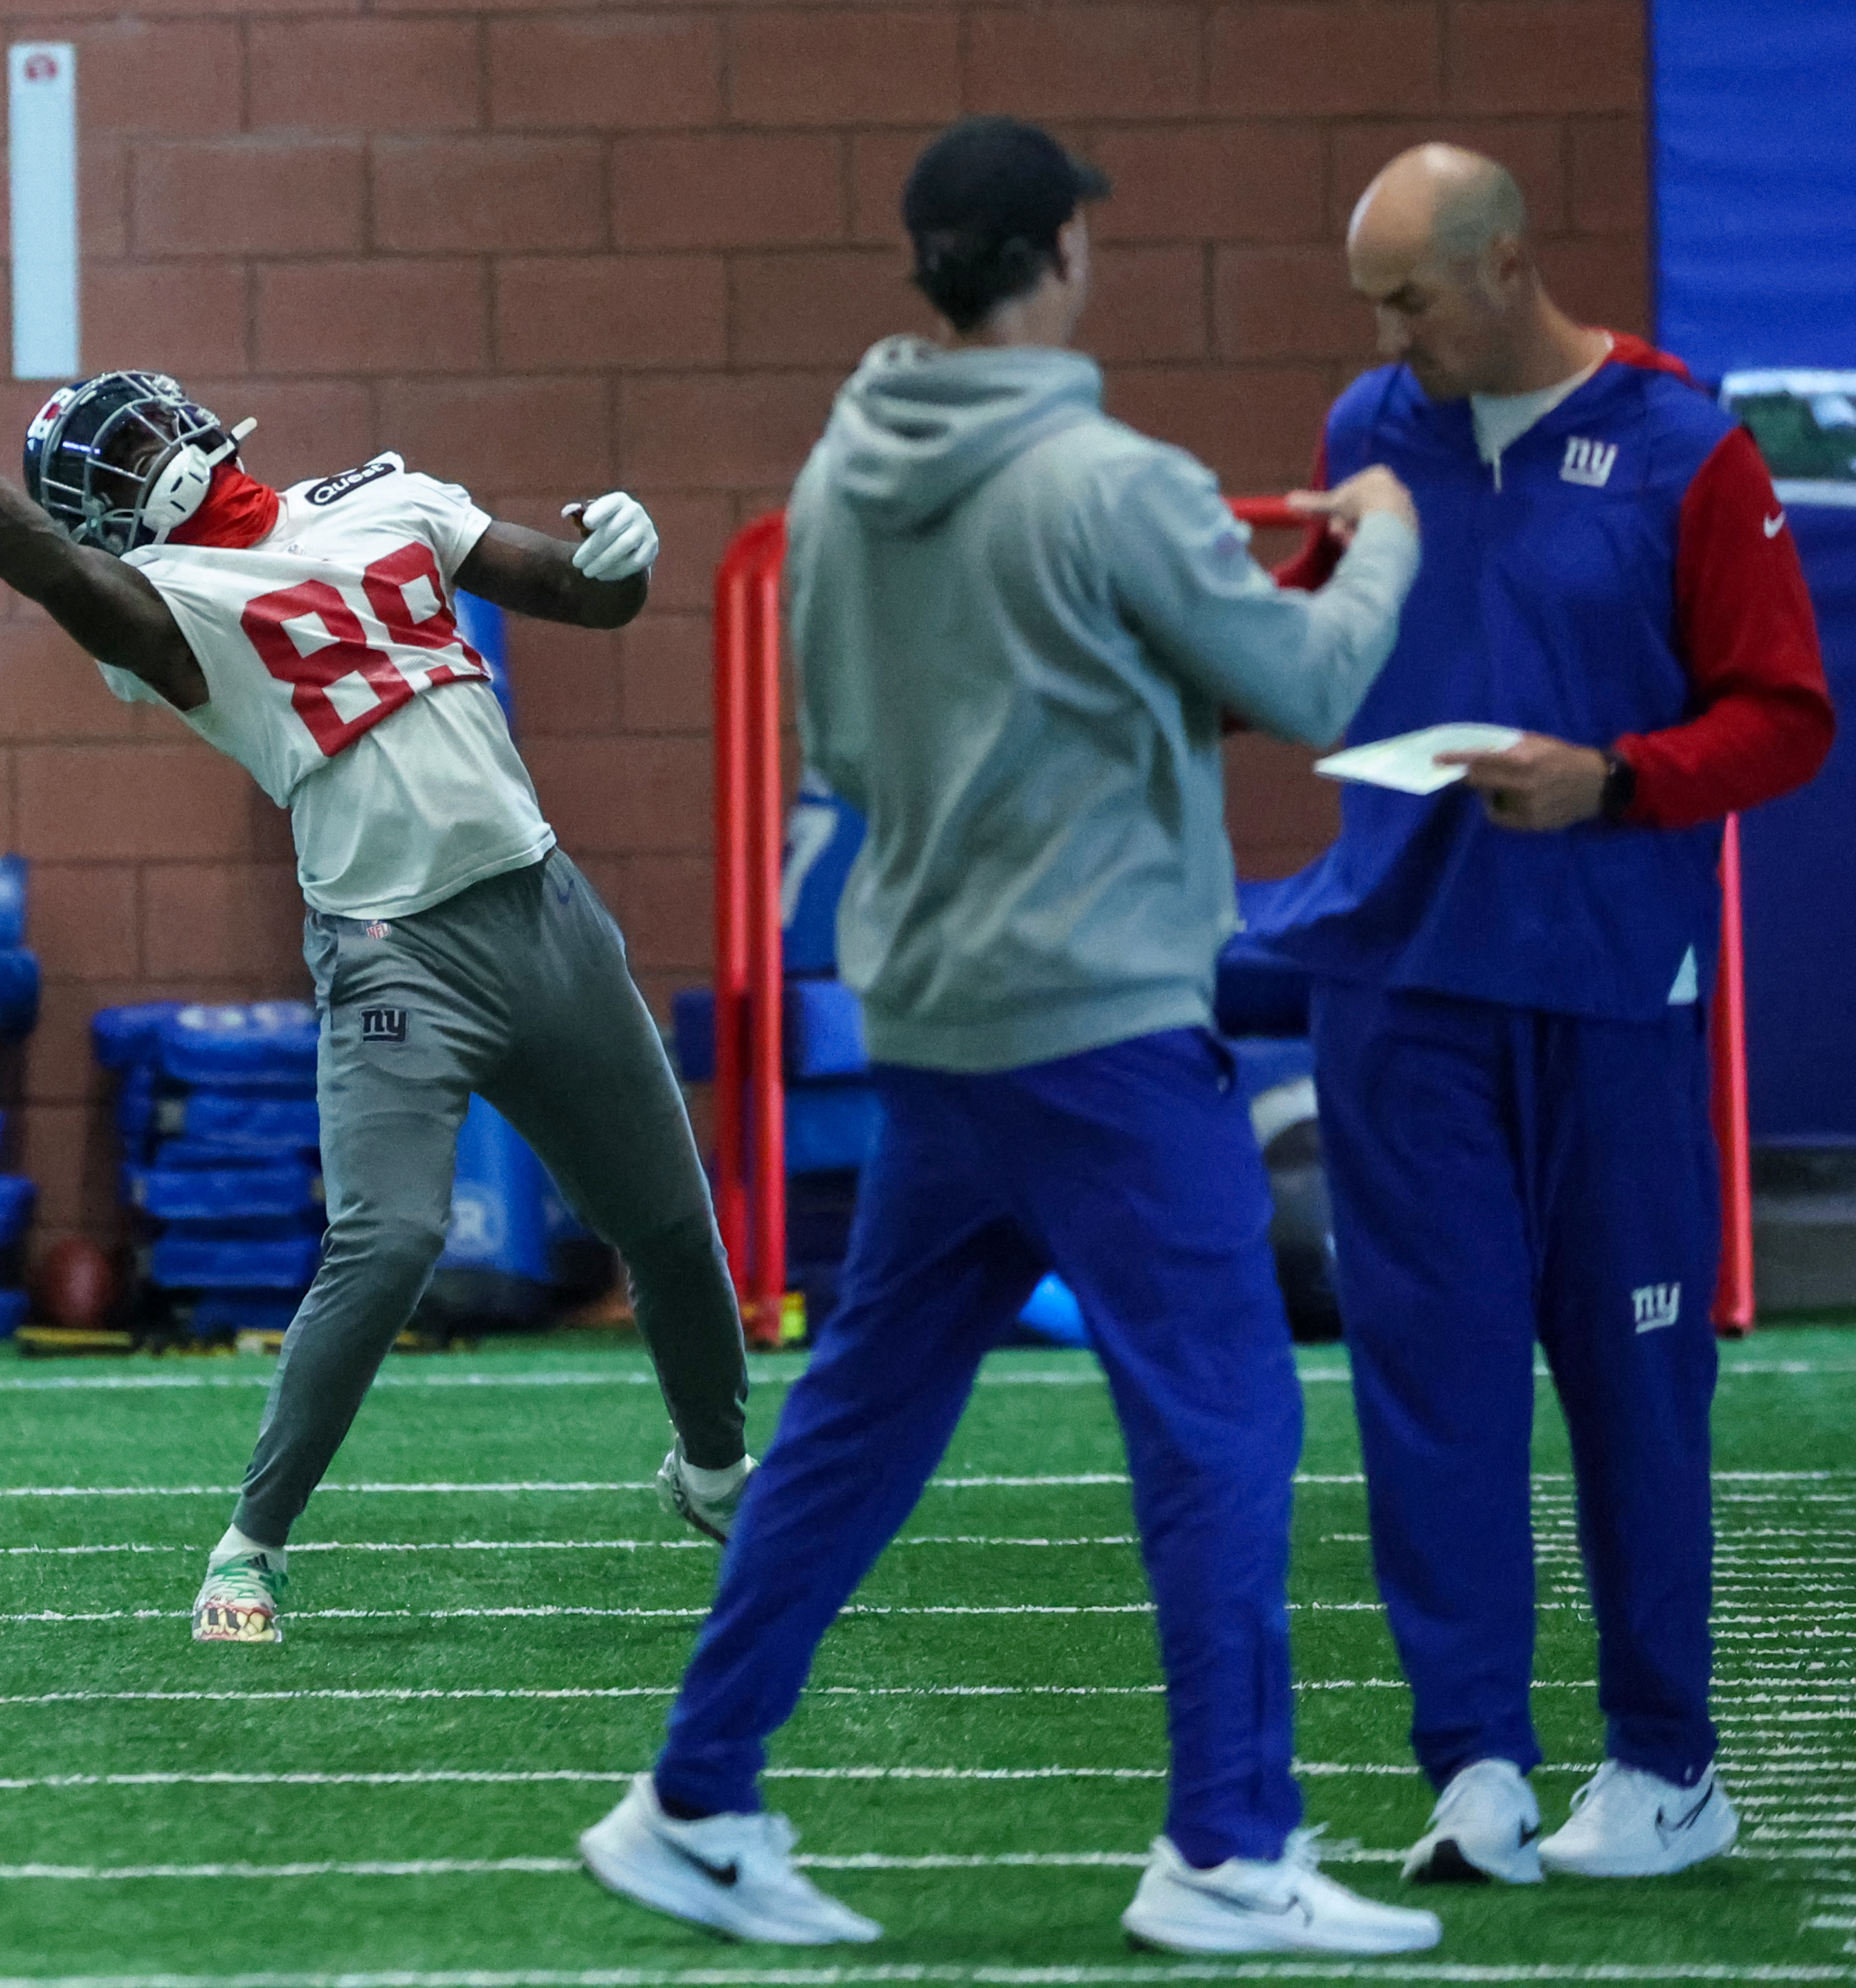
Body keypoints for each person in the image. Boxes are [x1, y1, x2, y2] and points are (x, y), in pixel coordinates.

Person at [579, 117, 1441, 1955]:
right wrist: (1382, 546)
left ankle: (694, 1795)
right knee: (1221, 1424)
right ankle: (1228, 1848)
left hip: (935, 1015)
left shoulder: (832, 477)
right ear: (1058, 252)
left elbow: (886, 752)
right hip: (1106, 1029)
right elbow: (1305, 684)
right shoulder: (1112, 481)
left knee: (862, 1422)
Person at [0, 293, 752, 1645]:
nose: (128, 464)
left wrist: (626, 558)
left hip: (542, 901)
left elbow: (577, 594)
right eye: (96, 473)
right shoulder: (172, 608)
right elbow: (46, 571)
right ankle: (249, 1544)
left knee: (671, 1221)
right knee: (387, 1237)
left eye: (126, 438)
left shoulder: (385, 497)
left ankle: (712, 1474)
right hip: (397, 949)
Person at [1255, 146, 1835, 1884]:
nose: (1381, 334)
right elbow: (1304, 651)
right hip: (1397, 980)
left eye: (1406, 296)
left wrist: (1613, 780)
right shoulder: (1369, 426)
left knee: (1632, 1386)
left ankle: (1665, 1765)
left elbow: (1785, 715)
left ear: (1505, 265)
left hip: (1604, 991)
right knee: (1426, 1388)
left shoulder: (1686, 449)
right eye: (1371, 302)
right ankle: (1474, 1769)